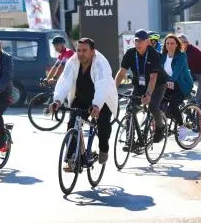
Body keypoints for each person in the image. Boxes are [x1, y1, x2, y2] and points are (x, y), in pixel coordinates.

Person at [48, 37, 118, 166]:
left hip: (102, 99)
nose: (80, 53)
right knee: (72, 124)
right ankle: (72, 158)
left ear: (93, 51)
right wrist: (57, 100)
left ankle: (104, 149)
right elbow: (64, 81)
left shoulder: (101, 64)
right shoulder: (72, 61)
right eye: (78, 50)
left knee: (103, 125)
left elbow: (102, 86)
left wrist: (97, 104)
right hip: (81, 98)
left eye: (84, 50)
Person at [115, 29, 168, 142]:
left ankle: (160, 127)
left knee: (153, 106)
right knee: (130, 109)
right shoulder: (130, 53)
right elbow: (121, 73)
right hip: (139, 84)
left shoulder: (154, 54)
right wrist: (113, 89)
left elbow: (153, 78)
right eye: (136, 41)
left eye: (141, 41)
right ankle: (130, 139)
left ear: (147, 42)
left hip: (158, 84)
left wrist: (148, 94)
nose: (138, 43)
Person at [161, 33, 195, 138]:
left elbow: (177, 70)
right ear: (165, 45)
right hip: (168, 84)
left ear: (177, 45)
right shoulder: (162, 56)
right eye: (167, 43)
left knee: (173, 104)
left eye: (172, 43)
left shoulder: (181, 56)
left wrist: (171, 80)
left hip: (182, 85)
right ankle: (163, 123)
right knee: (157, 102)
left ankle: (182, 127)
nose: (170, 45)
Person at [178, 33, 201, 104]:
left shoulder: (191, 52)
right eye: (178, 43)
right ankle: (189, 103)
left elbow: (183, 66)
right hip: (195, 72)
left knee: (199, 98)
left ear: (187, 43)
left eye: (182, 43)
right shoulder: (184, 51)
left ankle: (200, 114)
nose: (180, 45)